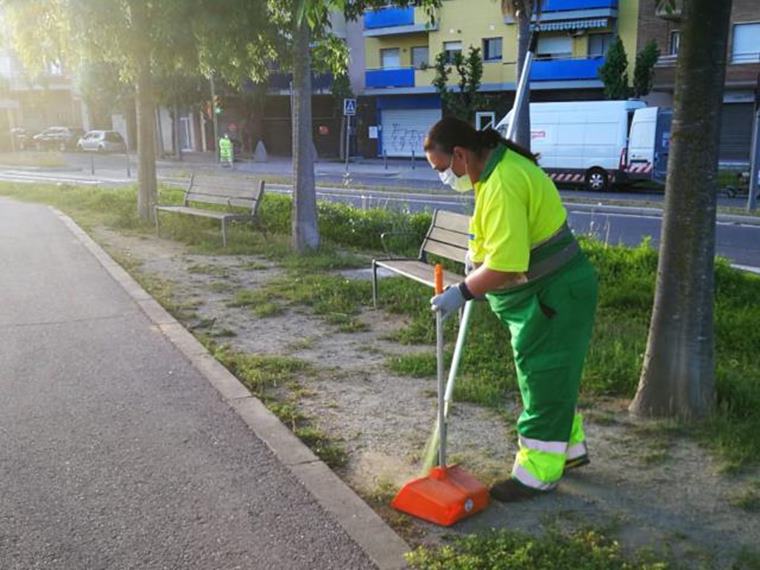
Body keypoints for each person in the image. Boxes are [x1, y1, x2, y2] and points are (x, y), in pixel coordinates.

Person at [425, 117, 598, 502]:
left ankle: (537, 474)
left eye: (441, 169)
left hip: (553, 297)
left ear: (459, 154)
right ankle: (567, 451)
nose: (443, 178)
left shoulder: (502, 180)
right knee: (552, 379)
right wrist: (477, 258)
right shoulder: (494, 171)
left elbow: (507, 264)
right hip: (549, 295)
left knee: (543, 379)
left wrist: (464, 291)